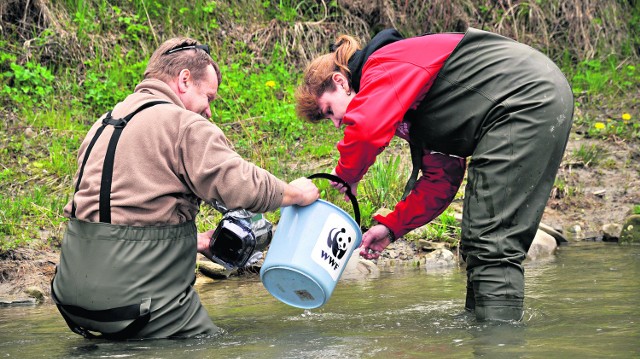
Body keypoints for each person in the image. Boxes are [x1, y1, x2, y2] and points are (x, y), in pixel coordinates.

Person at [295, 27, 573, 322]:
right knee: (478, 240)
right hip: (523, 102)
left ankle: (498, 338)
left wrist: (345, 175)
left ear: (340, 81)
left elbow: (365, 132)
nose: (336, 124)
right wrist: (391, 229)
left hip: (525, 97)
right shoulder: (414, 104)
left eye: (328, 111)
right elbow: (440, 182)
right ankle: (480, 327)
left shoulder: (385, 63)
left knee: (493, 242)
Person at [51, 37, 320, 340]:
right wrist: (296, 193)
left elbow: (119, 215)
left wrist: (194, 242)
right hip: (136, 305)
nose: (209, 112)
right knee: (219, 345)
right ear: (184, 80)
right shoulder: (182, 124)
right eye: (209, 98)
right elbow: (240, 183)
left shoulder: (106, 122)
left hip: (71, 299)